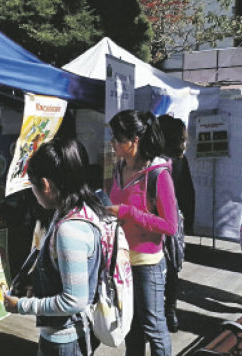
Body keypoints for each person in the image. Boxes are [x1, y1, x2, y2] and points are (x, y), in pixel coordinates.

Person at [3, 138, 104, 356]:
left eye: (32, 184)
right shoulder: (79, 209)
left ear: (46, 184)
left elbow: (74, 300)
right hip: (70, 335)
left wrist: (21, 306)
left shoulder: (70, 230)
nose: (33, 191)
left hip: (65, 340)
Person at [107, 110, 177, 356]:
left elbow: (170, 226)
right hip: (122, 261)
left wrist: (127, 211)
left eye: (117, 138)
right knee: (131, 326)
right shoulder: (118, 168)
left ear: (134, 140)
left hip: (148, 263)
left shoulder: (159, 174)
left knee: (154, 327)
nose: (112, 142)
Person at [157, 114, 195, 332]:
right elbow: (188, 191)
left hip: (157, 223)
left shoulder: (154, 161)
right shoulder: (178, 160)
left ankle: (162, 314)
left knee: (157, 270)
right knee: (171, 270)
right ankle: (170, 313)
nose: (185, 142)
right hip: (174, 221)